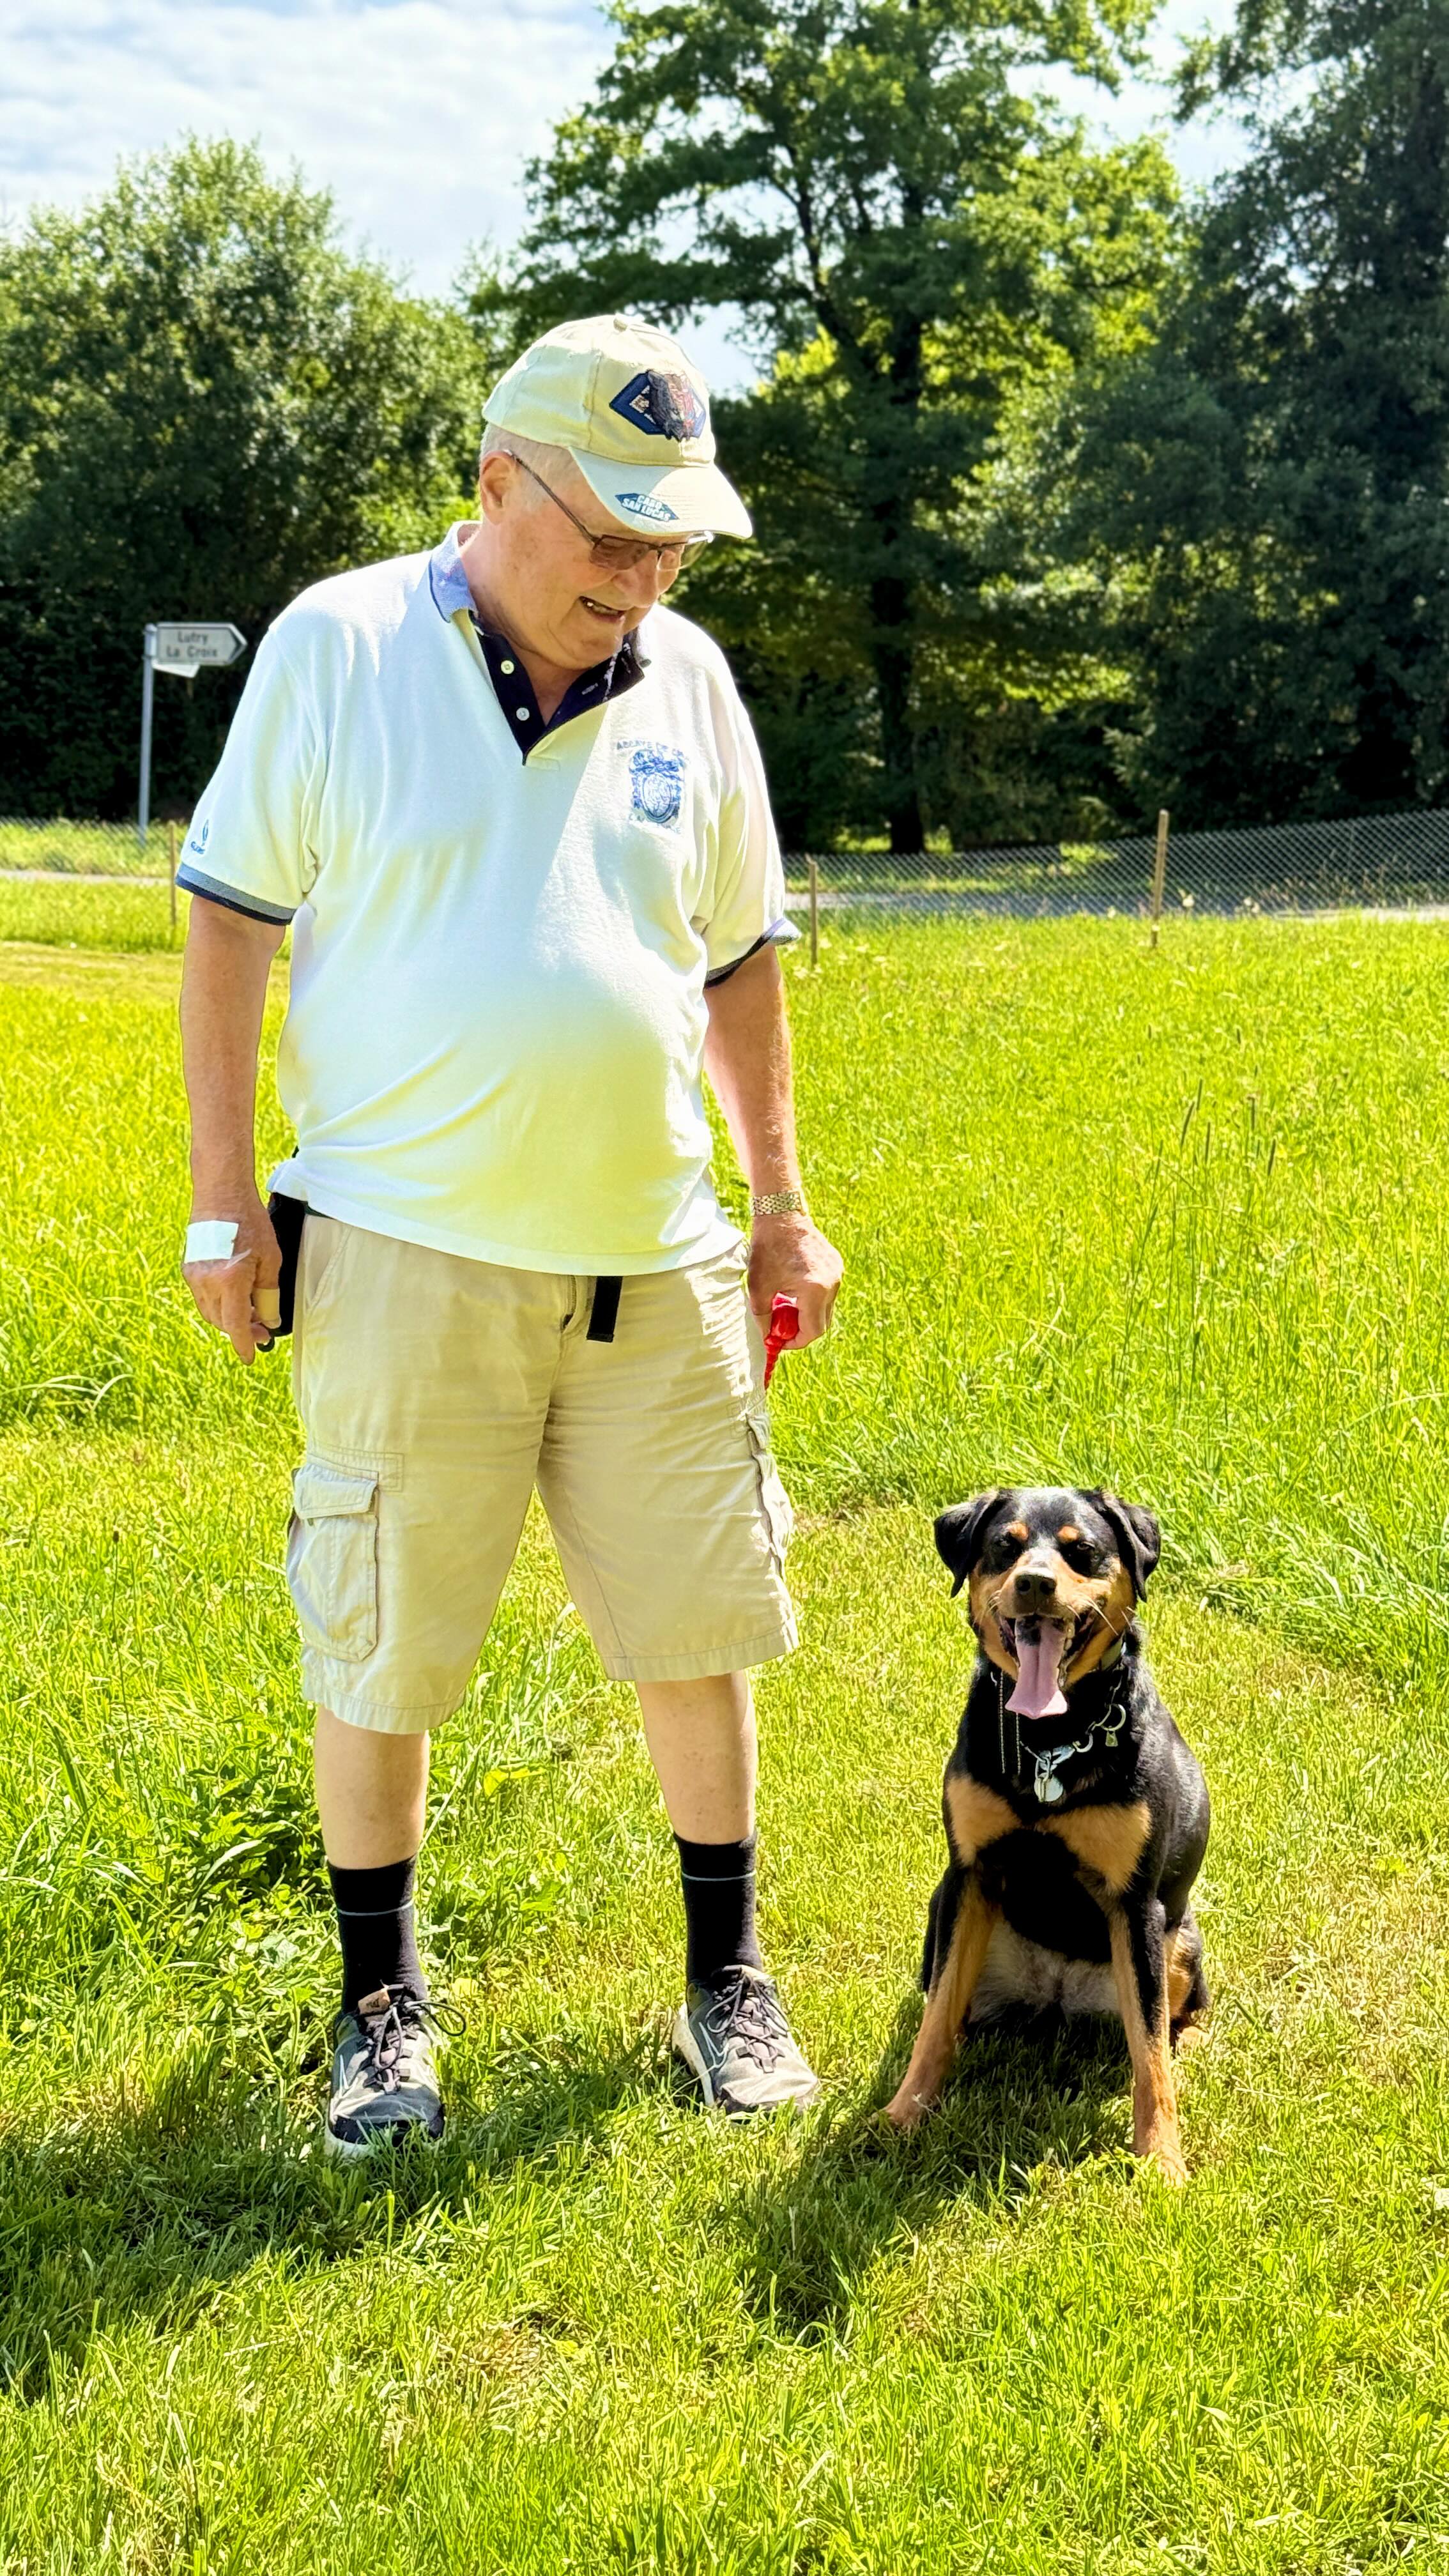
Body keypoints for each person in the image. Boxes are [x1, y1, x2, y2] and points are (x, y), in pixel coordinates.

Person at [176, 312, 843, 2154]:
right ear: (494, 483)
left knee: (696, 1629)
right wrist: (224, 1206)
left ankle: (727, 1984)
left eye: (669, 546)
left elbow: (737, 960)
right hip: (407, 1249)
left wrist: (778, 1208)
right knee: (379, 1642)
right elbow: (229, 923)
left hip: (661, 1259)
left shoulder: (689, 680)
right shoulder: (341, 643)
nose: (637, 580)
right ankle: (379, 2009)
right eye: (609, 536)